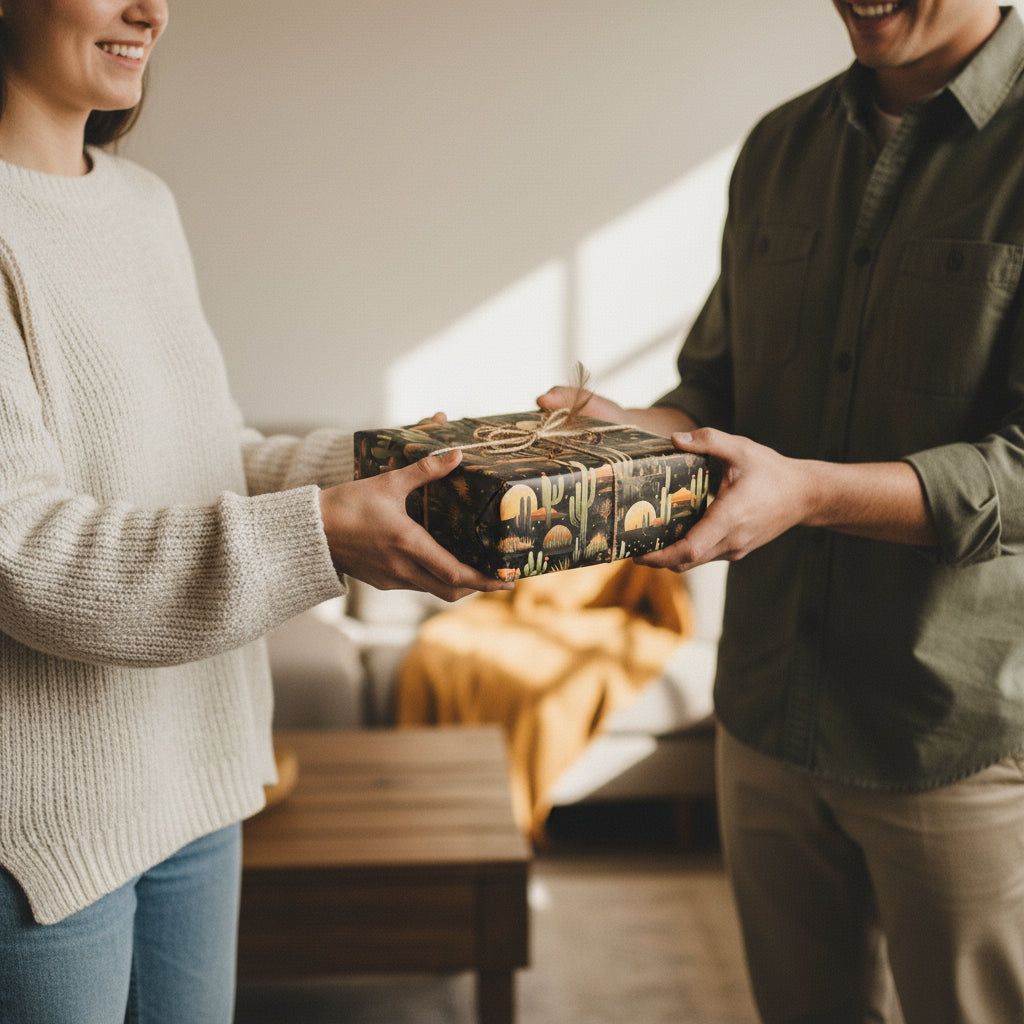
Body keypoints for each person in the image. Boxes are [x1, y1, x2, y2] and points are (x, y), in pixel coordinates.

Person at [0, 2, 510, 1022]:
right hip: (52, 832)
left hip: (202, 775)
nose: (153, 10)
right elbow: (28, 555)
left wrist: (392, 465)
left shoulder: (144, 206)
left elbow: (210, 457)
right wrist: (325, 531)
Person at [541, 2, 1024, 1021]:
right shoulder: (778, 146)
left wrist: (809, 493)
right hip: (764, 712)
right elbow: (716, 392)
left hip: (953, 731)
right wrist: (627, 430)